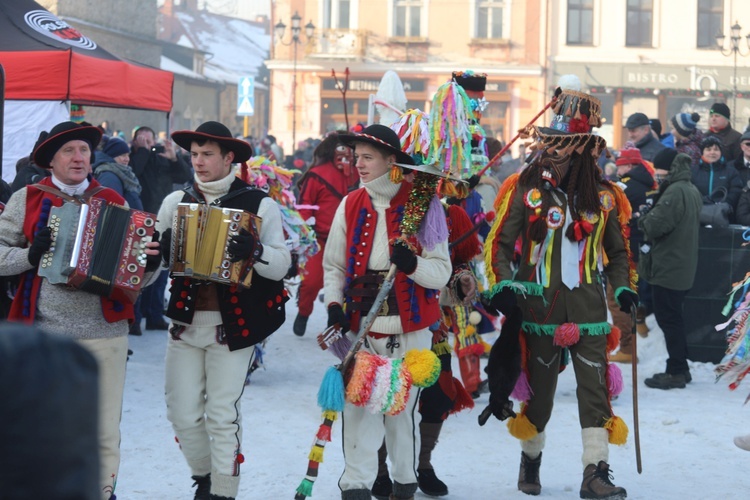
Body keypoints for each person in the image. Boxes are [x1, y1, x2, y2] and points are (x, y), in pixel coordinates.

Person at [483, 82, 637, 499]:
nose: (552, 151)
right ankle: (530, 459)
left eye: (563, 145)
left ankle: (596, 472)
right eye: (550, 143)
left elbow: (618, 254)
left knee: (595, 391)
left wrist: (623, 290)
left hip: (588, 309)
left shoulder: (606, 198)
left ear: (584, 150)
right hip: (539, 309)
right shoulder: (525, 190)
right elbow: (499, 243)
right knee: (541, 395)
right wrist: (505, 283)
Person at [0, 121, 162, 499]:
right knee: (41, 428)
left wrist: (153, 261)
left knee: (104, 429)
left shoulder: (113, 199)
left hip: (105, 333)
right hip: (44, 333)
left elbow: (137, 280)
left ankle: (102, 494)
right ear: (51, 160)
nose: (78, 158)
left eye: (84, 150)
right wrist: (29, 255)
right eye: (69, 150)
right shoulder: (28, 197)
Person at [156, 121, 290, 500]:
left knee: (221, 413)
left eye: (207, 154)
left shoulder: (259, 203)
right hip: (184, 323)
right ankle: (205, 477)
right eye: (194, 154)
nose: (198, 162)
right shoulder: (174, 202)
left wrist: (256, 252)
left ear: (229, 157)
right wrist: (158, 252)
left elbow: (283, 264)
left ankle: (223, 491)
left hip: (232, 326)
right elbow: (150, 269)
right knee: (181, 413)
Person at [323, 124, 451, 500]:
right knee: (358, 412)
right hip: (362, 328)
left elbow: (440, 273)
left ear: (391, 161)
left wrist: (411, 264)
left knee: (399, 415)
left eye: (367, 157)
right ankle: (356, 488)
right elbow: (334, 267)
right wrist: (333, 306)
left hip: (410, 331)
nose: (357, 164)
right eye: (355, 157)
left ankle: (404, 484)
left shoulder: (424, 205)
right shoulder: (351, 204)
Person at [639, 148, 702, 389]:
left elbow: (654, 226)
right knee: (674, 318)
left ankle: (676, 371)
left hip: (669, 266)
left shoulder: (675, 191)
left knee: (669, 320)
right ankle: (681, 368)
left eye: (659, 169)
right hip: (681, 264)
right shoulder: (689, 188)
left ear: (670, 168)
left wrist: (643, 218)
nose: (656, 173)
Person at [131, 125, 193, 331]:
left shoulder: (162, 158)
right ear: (136, 142)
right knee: (140, 269)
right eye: (143, 140)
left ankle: (155, 314)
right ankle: (136, 318)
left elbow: (184, 176)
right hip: (142, 219)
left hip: (163, 218)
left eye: (151, 141)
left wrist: (174, 157)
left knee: (161, 270)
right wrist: (143, 152)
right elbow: (136, 172)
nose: (149, 145)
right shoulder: (135, 157)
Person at [293, 132, 353, 336]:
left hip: (349, 241)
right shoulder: (316, 175)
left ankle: (335, 321)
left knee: (346, 287)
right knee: (311, 282)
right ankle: (303, 311)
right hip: (319, 240)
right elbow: (305, 207)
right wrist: (305, 232)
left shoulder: (359, 174)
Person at [609, 144, 656, 363]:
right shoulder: (650, 184)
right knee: (630, 292)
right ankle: (638, 330)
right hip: (642, 249)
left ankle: (627, 348)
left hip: (624, 249)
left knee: (616, 297)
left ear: (627, 165)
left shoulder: (625, 187)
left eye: (619, 166)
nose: (617, 171)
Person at [94, 136, 146, 336]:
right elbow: (113, 207)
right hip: (124, 234)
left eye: (127, 154)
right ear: (112, 155)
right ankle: (130, 323)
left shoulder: (120, 172)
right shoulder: (109, 174)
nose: (126, 159)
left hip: (131, 230)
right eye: (122, 155)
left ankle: (133, 322)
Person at [690, 136, 743, 217]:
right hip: (697, 215)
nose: (712, 152)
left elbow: (736, 191)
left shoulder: (731, 172)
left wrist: (722, 203)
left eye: (716, 149)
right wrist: (703, 201)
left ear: (721, 152)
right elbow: (688, 192)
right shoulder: (693, 171)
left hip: (723, 215)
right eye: (708, 149)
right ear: (702, 152)